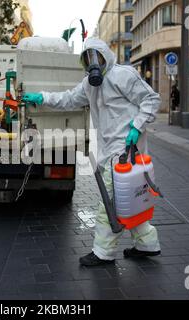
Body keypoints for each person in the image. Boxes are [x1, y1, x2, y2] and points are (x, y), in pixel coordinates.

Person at [22, 38, 162, 266]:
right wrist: (42, 97)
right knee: (129, 200)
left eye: (96, 56)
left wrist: (136, 127)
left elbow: (151, 100)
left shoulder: (123, 75)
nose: (93, 62)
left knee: (109, 203)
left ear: (106, 54)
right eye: (88, 58)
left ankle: (103, 252)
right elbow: (68, 99)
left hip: (126, 150)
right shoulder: (89, 84)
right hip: (111, 152)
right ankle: (147, 244)